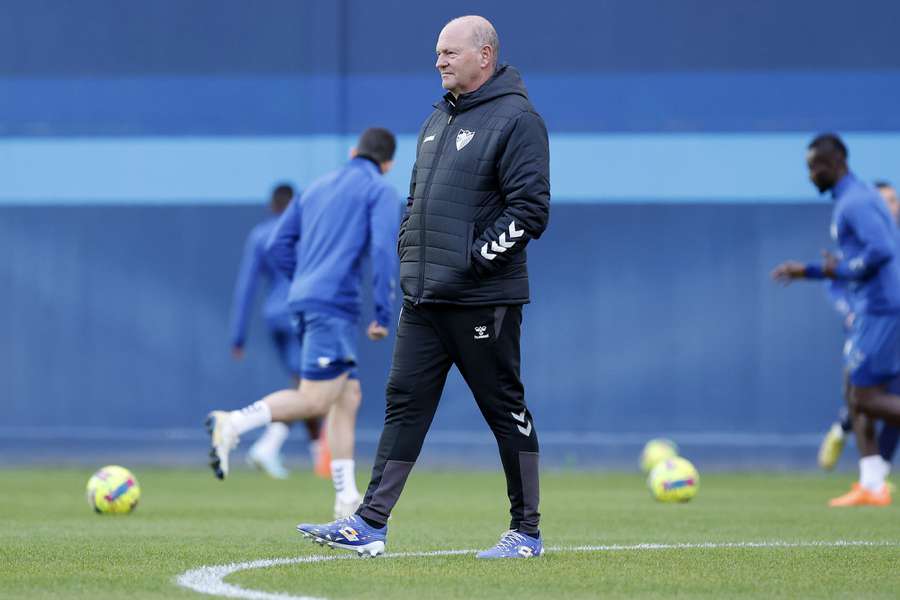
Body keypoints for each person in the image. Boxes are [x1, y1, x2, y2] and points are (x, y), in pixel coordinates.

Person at [296, 15, 550, 558]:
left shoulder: (518, 119)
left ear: (485, 55)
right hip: (425, 298)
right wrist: (411, 256)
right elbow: (416, 202)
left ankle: (526, 533)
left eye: (450, 53)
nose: (439, 61)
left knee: (503, 408)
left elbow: (530, 211)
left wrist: (474, 262)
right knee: (402, 405)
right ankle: (369, 523)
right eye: (437, 52)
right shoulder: (436, 119)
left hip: (483, 299)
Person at [207, 128, 401, 519]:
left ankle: (347, 500)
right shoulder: (380, 190)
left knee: (348, 398)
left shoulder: (314, 188)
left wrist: (305, 278)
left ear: (352, 152)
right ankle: (232, 424)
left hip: (310, 300)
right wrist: (383, 311)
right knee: (314, 399)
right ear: (387, 164)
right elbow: (382, 250)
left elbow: (277, 243)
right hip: (334, 305)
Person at [773, 134, 900, 506]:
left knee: (866, 398)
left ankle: (873, 482)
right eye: (810, 168)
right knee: (852, 389)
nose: (812, 175)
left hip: (881, 308)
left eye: (817, 167)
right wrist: (810, 271)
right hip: (872, 307)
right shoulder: (855, 197)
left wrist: (841, 269)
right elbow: (847, 265)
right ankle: (872, 483)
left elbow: (881, 251)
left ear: (838, 163)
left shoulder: (856, 203)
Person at [228, 183, 326, 480]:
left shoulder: (260, 234)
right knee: (309, 389)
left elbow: (246, 286)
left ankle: (317, 455)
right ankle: (267, 446)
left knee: (302, 384)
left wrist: (238, 335)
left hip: (274, 318)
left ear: (272, 206)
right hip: (301, 315)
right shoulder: (304, 234)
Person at [818, 181, 900, 472]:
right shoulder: (862, 244)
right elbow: (836, 281)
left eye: (892, 200)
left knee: (887, 400)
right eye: (882, 201)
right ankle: (842, 428)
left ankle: (878, 473)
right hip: (870, 326)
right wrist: (850, 311)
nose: (887, 206)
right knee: (859, 395)